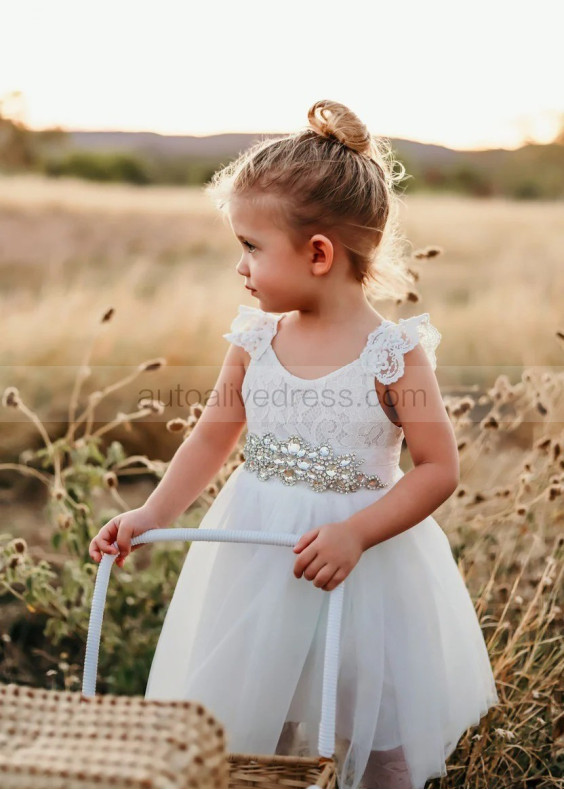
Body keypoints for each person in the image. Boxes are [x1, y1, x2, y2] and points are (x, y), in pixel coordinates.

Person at [89, 100, 499, 789]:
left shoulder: (393, 355)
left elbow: (437, 469)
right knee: (260, 712)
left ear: (318, 254)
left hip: (364, 566)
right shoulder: (255, 341)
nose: (240, 266)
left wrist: (357, 534)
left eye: (252, 247)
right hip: (259, 553)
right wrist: (152, 515)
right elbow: (210, 438)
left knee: (369, 728)